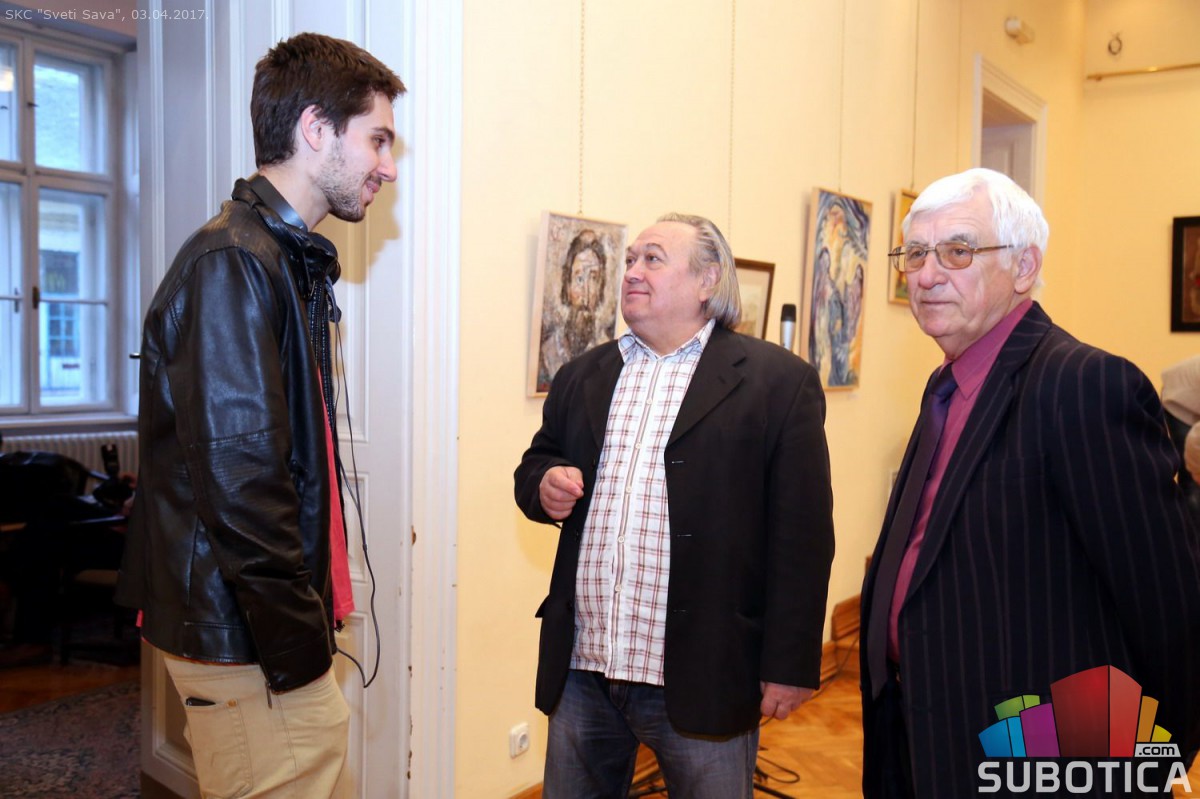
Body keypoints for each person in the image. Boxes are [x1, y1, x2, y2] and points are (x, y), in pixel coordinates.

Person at [115, 32, 405, 798]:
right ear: (316, 129)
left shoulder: (272, 257)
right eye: (377, 138)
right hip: (251, 641)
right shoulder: (235, 261)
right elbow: (244, 488)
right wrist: (300, 651)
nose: (388, 166)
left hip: (259, 635)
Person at [860, 168, 1200, 798]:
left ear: (1024, 267)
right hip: (919, 736)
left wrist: (1141, 767)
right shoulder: (947, 383)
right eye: (915, 253)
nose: (926, 275)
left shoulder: (1083, 384)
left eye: (957, 251)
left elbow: (1170, 608)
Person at [514, 212, 835, 797]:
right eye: (630, 259)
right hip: (585, 667)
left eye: (653, 259)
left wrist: (789, 665)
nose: (632, 271)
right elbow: (536, 462)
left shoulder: (778, 383)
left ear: (707, 280)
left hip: (705, 669)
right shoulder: (584, 375)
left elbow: (803, 538)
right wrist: (544, 483)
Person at [536, 229, 614, 392]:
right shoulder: (549, 352)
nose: (586, 292)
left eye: (593, 278)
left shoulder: (609, 355)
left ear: (601, 288)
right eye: (579, 279)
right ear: (567, 285)